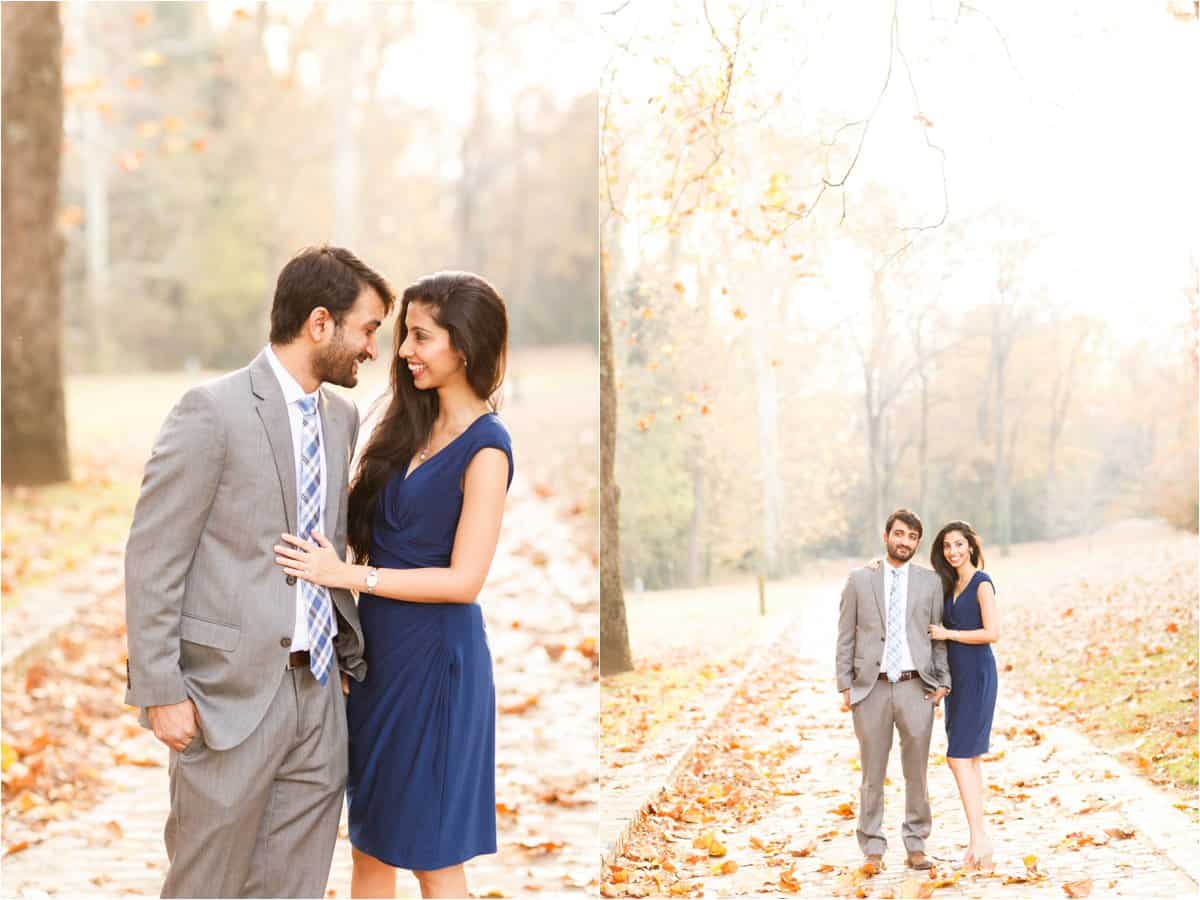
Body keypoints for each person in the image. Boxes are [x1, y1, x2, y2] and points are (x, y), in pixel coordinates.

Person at [124, 245, 394, 897]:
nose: (371, 349)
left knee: (295, 884)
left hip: (320, 698)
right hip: (226, 696)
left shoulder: (342, 418)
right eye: (367, 329)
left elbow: (327, 548)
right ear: (321, 323)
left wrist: (345, 652)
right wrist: (161, 687)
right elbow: (153, 555)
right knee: (206, 881)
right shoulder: (209, 411)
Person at [274, 271, 513, 899]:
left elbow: (465, 580)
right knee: (371, 846)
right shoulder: (404, 428)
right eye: (404, 334)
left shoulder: (487, 447)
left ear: (464, 345)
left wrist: (348, 577)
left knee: (432, 855)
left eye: (419, 336)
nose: (403, 350)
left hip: (437, 665)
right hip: (377, 665)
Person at [836, 508, 951, 871]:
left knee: (916, 771)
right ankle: (872, 847)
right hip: (870, 689)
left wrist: (943, 681)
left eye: (912, 537)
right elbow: (846, 635)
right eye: (899, 534)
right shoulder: (859, 580)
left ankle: (916, 844)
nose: (905, 541)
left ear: (917, 542)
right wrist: (845, 685)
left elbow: (938, 638)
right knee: (872, 772)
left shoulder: (931, 583)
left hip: (916, 687)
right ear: (886, 536)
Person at [927, 520, 1000, 871]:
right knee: (969, 759)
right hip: (957, 679)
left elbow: (993, 632)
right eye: (947, 547)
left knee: (958, 758)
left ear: (970, 545)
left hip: (978, 673)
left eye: (959, 544)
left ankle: (979, 840)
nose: (953, 552)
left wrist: (949, 633)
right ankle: (977, 844)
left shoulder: (982, 583)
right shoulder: (948, 584)